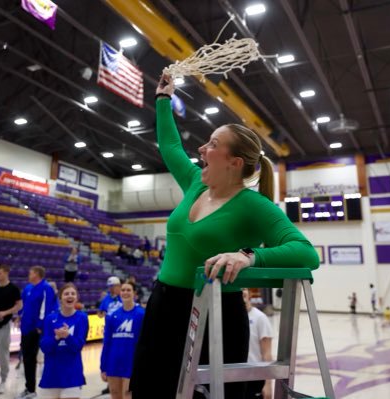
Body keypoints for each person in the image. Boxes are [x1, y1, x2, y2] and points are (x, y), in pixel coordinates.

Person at [129, 75, 319, 399]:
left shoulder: (253, 205)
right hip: (163, 305)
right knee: (150, 391)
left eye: (213, 144)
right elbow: (170, 146)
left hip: (216, 315)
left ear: (235, 163)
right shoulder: (195, 183)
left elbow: (306, 253)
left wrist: (248, 255)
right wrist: (163, 99)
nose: (202, 148)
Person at [38, 283, 89, 399]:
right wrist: (56, 338)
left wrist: (67, 336)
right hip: (51, 374)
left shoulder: (82, 318)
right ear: (60, 298)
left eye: (73, 294)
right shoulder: (50, 319)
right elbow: (45, 347)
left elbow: (77, 347)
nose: (70, 296)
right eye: (66, 294)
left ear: (77, 298)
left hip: (72, 374)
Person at [16, 266, 57, 399]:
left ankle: (33, 389)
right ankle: (29, 388)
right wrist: (19, 316)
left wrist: (40, 326)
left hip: (36, 329)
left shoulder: (46, 288)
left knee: (33, 358)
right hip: (26, 328)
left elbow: (47, 308)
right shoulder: (28, 288)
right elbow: (23, 305)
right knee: (27, 359)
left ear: (37, 274)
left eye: (31, 272)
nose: (28, 274)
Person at [100, 282, 145, 399]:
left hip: (131, 362)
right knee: (114, 393)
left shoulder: (141, 314)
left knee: (127, 394)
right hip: (113, 361)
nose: (125, 292)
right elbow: (107, 342)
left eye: (128, 290)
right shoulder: (112, 315)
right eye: (123, 290)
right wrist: (103, 366)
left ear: (134, 293)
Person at [0, 265, 22, 394]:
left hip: (3, 325)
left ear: (6, 273)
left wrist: (4, 313)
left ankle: (3, 381)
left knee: (3, 353)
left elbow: (19, 305)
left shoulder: (13, 289)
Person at [242, 288, 273, 399]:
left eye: (244, 290)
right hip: (235, 375)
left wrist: (268, 384)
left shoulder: (260, 318)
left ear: (249, 294)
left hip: (255, 377)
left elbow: (267, 354)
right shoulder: (230, 318)